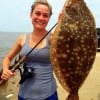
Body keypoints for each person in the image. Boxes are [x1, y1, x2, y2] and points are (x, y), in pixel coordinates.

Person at [1, 0, 58, 100]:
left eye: (45, 15)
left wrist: (64, 21)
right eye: (37, 13)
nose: (41, 18)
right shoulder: (22, 38)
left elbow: (70, 38)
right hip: (24, 94)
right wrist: (5, 69)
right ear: (31, 14)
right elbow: (7, 58)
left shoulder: (53, 38)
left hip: (49, 94)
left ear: (49, 18)